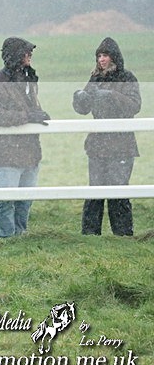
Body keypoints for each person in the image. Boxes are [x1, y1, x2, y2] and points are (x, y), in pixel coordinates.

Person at [72, 37, 141, 236]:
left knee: (119, 191)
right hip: (97, 144)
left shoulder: (128, 77)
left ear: (114, 57)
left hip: (122, 144)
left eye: (105, 55)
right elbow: (82, 109)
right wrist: (79, 98)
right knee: (95, 191)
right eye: (99, 56)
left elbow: (135, 106)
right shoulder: (95, 78)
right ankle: (90, 234)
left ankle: (123, 234)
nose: (101, 59)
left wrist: (112, 96)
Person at [0, 37, 50, 239]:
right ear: (16, 55)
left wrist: (39, 114)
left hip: (30, 150)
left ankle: (21, 236)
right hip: (8, 153)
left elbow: (30, 107)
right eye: (26, 53)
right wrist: (28, 117)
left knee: (25, 199)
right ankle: (6, 238)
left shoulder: (28, 79)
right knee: (6, 200)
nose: (29, 56)